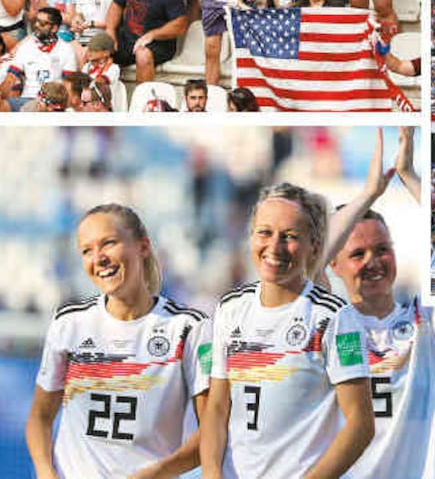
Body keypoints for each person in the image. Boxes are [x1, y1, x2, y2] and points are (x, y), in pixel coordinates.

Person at [199, 183, 375, 477]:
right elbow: (217, 407)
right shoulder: (230, 308)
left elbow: (361, 424)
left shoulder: (336, 318)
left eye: (290, 236)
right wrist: (212, 473)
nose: (275, 247)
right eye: (265, 232)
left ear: (314, 247)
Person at [24, 205, 210, 477]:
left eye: (108, 243)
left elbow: (213, 430)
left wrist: (156, 473)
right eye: (87, 250)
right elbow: (39, 417)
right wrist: (45, 471)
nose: (98, 258)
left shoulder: (189, 328)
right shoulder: (69, 323)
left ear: (143, 247)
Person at [325, 127, 435, 477]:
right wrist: (368, 195)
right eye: (358, 253)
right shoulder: (322, 325)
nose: (374, 261)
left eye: (383, 249)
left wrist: (409, 175)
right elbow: (302, 270)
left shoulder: (427, 325)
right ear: (333, 263)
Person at [0, 5, 76, 109]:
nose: (36, 25)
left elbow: (69, 84)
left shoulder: (66, 49)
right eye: (36, 21)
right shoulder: (26, 47)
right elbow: (11, 78)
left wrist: (64, 107)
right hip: (28, 99)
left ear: (54, 28)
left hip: (52, 101)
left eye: (42, 23)